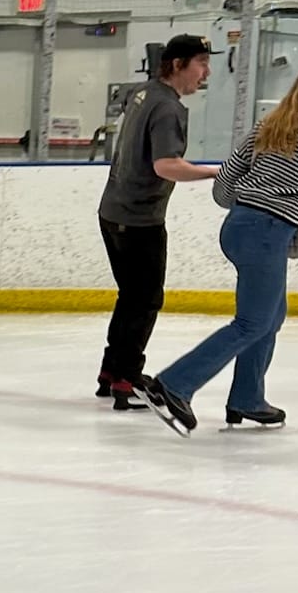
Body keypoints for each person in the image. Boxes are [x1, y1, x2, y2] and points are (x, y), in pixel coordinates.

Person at [141, 55, 298, 435]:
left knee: (270, 317)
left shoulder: (270, 124)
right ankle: (172, 385)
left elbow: (225, 182)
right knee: (252, 323)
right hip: (267, 233)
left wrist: (248, 204)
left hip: (240, 227)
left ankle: (247, 398)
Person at [94, 34, 221, 410]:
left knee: (131, 296)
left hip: (113, 212)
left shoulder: (142, 92)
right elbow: (166, 165)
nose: (206, 72)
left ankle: (112, 370)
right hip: (139, 219)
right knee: (146, 300)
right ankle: (126, 379)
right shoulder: (168, 107)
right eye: (201, 63)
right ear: (177, 64)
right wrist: (217, 172)